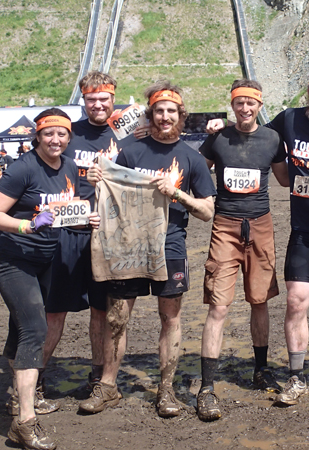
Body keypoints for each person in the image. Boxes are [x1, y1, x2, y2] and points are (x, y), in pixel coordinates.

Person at [208, 64, 309, 405]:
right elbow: (252, 132)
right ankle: (296, 377)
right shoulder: (288, 120)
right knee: (296, 301)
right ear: (308, 91)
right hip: (304, 232)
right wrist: (221, 128)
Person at [80, 81, 216, 417]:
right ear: (151, 114)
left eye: (172, 111)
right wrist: (97, 177)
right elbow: (108, 187)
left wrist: (177, 193)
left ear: (180, 116)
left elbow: (207, 211)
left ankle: (166, 391)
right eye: (159, 110)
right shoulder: (129, 152)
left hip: (170, 246)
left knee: (170, 317)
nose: (165, 116)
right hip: (128, 245)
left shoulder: (192, 159)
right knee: (117, 317)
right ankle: (108, 386)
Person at [0, 108, 99, 450]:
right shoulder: (23, 168)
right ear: (38, 136)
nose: (55, 140)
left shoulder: (68, 168)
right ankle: (25, 423)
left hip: (45, 259)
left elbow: (64, 213)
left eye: (62, 134)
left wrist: (84, 221)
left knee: (19, 330)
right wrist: (27, 225)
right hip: (14, 258)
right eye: (49, 134)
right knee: (35, 329)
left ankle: (20, 399)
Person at [196, 79, 288, 421]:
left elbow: (284, 179)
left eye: (251, 103)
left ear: (259, 105)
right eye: (239, 103)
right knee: (218, 306)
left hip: (261, 226)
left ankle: (261, 369)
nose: (245, 109)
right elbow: (195, 171)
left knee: (260, 300)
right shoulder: (217, 139)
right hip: (225, 225)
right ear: (232, 105)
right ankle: (206, 386)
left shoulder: (272, 139)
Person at [41, 71, 130, 393]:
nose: (98, 104)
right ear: (83, 100)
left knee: (101, 311)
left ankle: (98, 374)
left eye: (104, 98)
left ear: (113, 97)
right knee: (55, 313)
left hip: (109, 236)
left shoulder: (125, 134)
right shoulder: (68, 134)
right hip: (68, 235)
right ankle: (34, 377)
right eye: (91, 99)